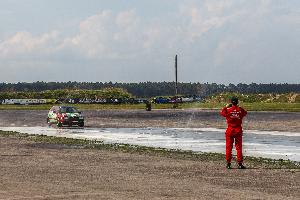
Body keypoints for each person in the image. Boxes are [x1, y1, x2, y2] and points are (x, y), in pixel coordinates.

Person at [220, 97, 247, 169]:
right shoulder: (240, 110)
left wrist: (226, 107)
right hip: (238, 130)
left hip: (230, 130)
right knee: (239, 148)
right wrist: (239, 107)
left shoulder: (228, 110)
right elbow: (245, 113)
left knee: (228, 148)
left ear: (231, 102)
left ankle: (228, 164)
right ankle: (240, 164)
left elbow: (222, 113)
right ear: (237, 102)